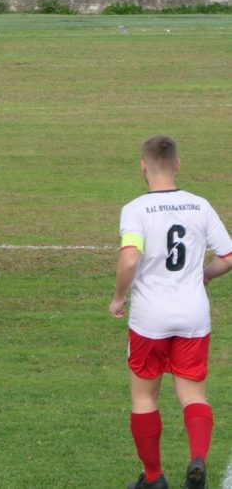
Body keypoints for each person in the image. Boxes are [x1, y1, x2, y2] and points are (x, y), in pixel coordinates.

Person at [110, 135, 232, 489]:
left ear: (143, 167)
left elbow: (130, 257)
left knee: (144, 396)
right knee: (193, 395)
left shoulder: (135, 209)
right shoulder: (199, 205)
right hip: (193, 316)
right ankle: (197, 458)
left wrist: (119, 297)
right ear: (177, 164)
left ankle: (153, 478)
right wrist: (205, 274)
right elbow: (227, 255)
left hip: (150, 319)